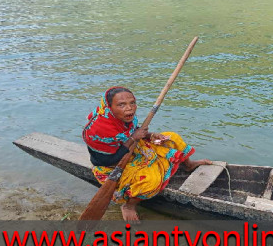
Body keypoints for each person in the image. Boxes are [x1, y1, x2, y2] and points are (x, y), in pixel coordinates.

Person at [82, 86, 212, 222]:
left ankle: (189, 165)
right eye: (121, 105)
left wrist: (150, 135)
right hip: (113, 165)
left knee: (173, 138)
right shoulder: (97, 131)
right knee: (151, 181)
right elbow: (106, 161)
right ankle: (129, 205)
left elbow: (133, 131)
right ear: (110, 107)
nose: (129, 108)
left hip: (135, 148)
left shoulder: (125, 116)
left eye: (132, 103)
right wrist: (134, 138)